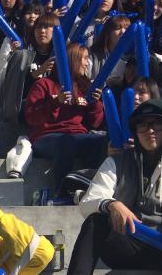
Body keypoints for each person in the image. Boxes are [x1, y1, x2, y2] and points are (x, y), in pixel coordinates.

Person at [62, 99, 162, 275]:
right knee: (96, 220)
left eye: (157, 124)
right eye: (143, 125)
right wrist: (112, 204)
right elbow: (89, 201)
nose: (150, 131)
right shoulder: (117, 162)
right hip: (130, 243)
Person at [24, 41, 106, 199]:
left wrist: (96, 103)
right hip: (46, 137)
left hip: (77, 135)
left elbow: (95, 123)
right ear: (72, 60)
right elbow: (31, 117)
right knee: (66, 141)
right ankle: (61, 193)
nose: (87, 63)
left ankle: (88, 189)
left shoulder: (85, 88)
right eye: (84, 58)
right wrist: (55, 102)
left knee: (101, 141)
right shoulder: (44, 85)